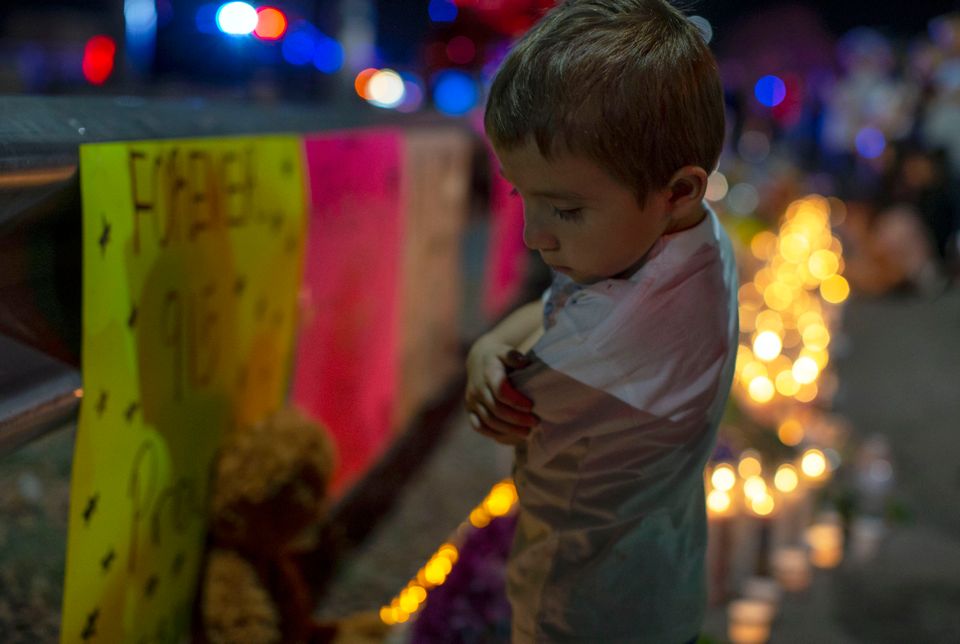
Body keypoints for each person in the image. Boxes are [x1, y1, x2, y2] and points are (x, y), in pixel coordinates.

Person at [463, 1, 739, 641]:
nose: (534, 236)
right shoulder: (694, 242)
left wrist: (493, 354)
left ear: (677, 191)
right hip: (665, 578)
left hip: (581, 609)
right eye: (518, 193)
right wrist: (494, 341)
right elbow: (565, 306)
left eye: (564, 209)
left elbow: (517, 406)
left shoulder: (611, 339)